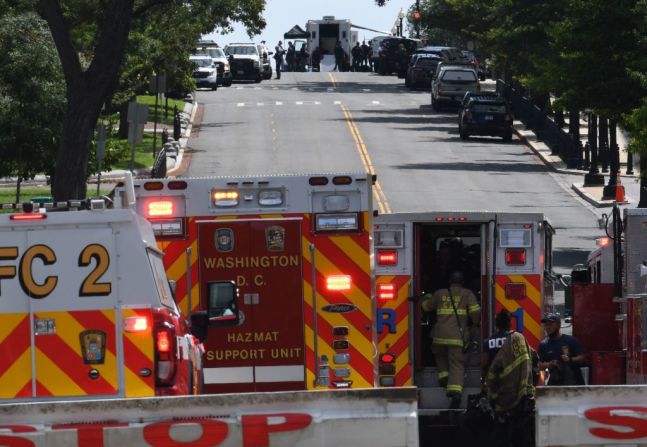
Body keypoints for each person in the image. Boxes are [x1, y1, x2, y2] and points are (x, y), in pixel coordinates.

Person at [421, 271, 480, 409]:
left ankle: (443, 377)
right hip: (457, 338)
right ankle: (455, 394)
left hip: (439, 337)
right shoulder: (467, 294)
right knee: (457, 364)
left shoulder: (440, 293)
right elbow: (475, 312)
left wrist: (426, 296)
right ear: (462, 282)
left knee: (440, 355)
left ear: (450, 282)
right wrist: (476, 324)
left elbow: (426, 306)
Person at [485, 310, 535, 447]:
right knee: (519, 427)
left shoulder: (488, 342)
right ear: (509, 323)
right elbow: (531, 359)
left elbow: (485, 364)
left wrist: (488, 386)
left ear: (496, 325)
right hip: (518, 389)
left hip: (499, 392)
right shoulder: (519, 338)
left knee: (500, 426)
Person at [538, 313, 586, 385]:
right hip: (555, 385)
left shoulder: (571, 340)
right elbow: (538, 365)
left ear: (558, 325)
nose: (547, 327)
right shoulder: (544, 344)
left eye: (550, 324)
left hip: (574, 385)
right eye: (546, 325)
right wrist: (549, 364)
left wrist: (570, 359)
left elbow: (582, 357)